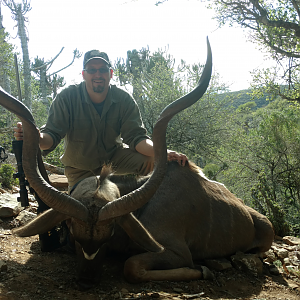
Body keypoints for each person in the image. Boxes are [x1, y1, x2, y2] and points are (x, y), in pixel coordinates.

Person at [14, 50, 188, 192]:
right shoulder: (67, 97)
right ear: (83, 74)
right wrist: (35, 136)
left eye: (103, 69)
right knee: (87, 212)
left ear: (111, 74)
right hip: (80, 170)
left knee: (154, 161)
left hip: (114, 162)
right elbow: (50, 136)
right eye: (92, 70)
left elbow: (137, 138)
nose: (98, 74)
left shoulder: (124, 99)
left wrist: (163, 151)